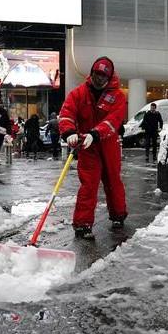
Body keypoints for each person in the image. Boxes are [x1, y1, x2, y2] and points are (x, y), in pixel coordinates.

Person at [59, 56, 127, 239]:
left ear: (109, 77)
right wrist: (69, 131)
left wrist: (95, 133)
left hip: (109, 144)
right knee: (88, 185)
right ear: (91, 74)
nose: (99, 79)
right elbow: (66, 113)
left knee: (113, 181)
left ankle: (118, 214)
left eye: (103, 76)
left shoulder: (118, 96)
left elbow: (114, 120)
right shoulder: (79, 93)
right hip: (87, 146)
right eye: (96, 74)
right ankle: (82, 224)